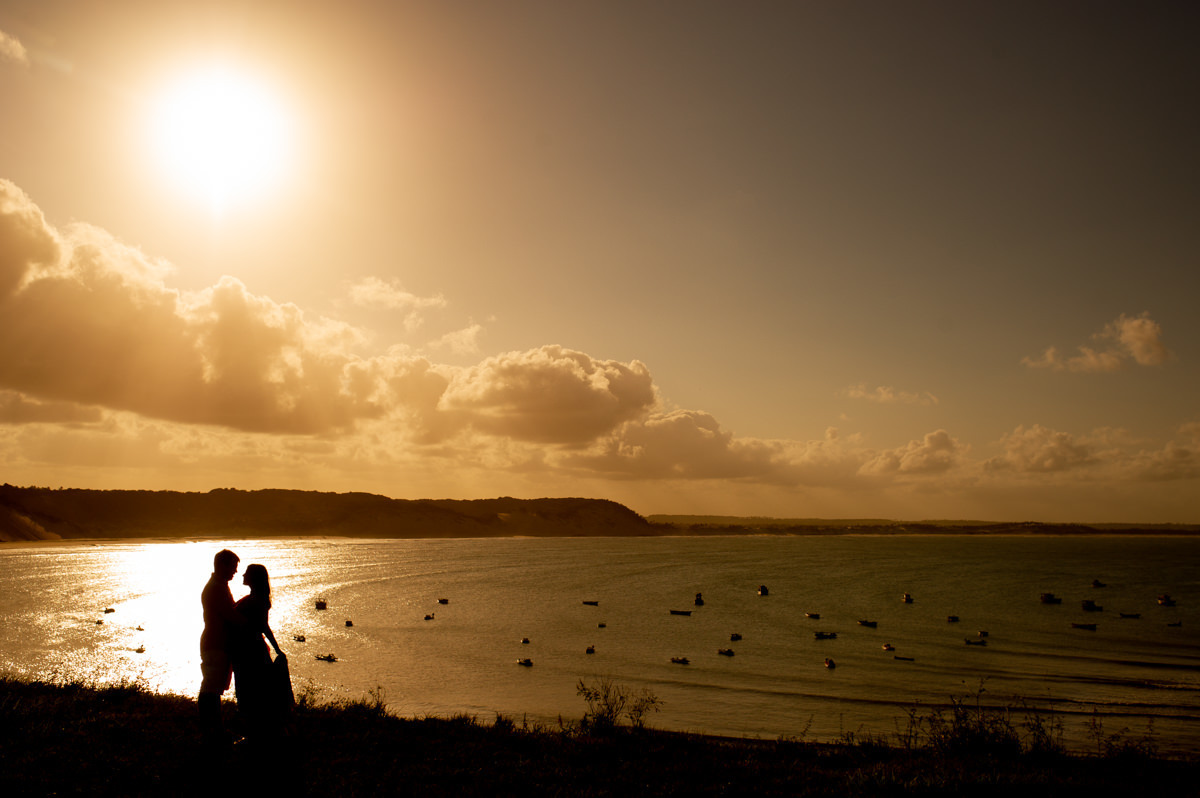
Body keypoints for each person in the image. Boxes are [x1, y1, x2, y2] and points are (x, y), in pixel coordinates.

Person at [231, 563, 288, 742]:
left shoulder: (256, 600)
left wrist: (278, 648)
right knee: (253, 692)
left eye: (246, 573)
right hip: (249, 650)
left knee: (250, 692)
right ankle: (257, 734)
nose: (242, 575)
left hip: (251, 652)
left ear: (254, 578)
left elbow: (263, 626)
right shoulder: (255, 599)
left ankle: (255, 735)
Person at [198, 549, 243, 743]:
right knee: (211, 689)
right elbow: (231, 616)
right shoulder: (216, 588)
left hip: (217, 643)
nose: (235, 572)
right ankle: (214, 732)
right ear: (221, 565)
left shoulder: (220, 586)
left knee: (213, 689)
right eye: (232, 567)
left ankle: (214, 730)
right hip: (215, 644)